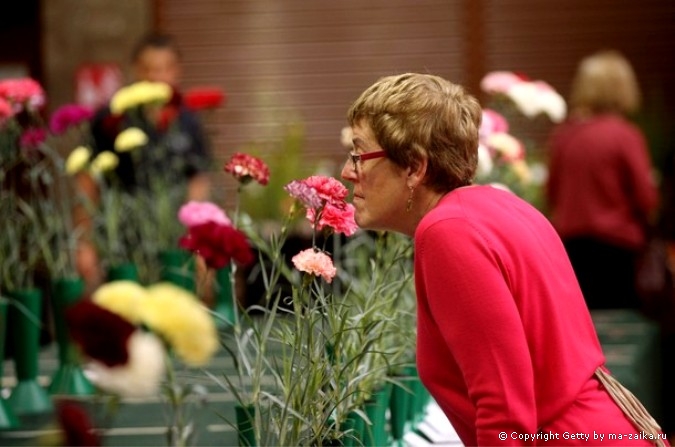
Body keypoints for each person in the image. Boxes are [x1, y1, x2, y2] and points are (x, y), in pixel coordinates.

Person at [340, 73, 666, 446]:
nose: (348, 172)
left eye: (359, 155)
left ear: (414, 166)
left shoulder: (448, 232)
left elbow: (505, 412)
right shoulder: (497, 206)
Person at [75, 33, 212, 291]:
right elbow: (87, 183)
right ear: (135, 70)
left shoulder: (188, 121)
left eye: (163, 69)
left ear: (176, 71)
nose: (156, 76)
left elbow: (198, 182)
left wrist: (198, 239)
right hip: (121, 245)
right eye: (148, 68)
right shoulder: (111, 119)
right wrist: (85, 243)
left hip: (173, 241)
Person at [546, 50, 659, 310]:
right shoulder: (625, 135)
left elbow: (552, 193)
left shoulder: (565, 135)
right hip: (618, 251)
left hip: (572, 249)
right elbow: (646, 198)